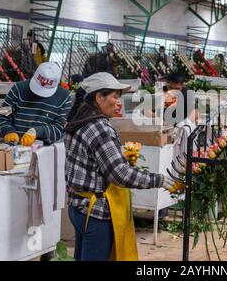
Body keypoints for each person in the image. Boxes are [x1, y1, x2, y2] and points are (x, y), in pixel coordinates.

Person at [64, 72, 176, 261]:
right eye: (115, 96)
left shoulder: (76, 123)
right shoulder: (100, 128)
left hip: (77, 207)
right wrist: (160, 180)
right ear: (99, 97)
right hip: (95, 212)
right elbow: (121, 174)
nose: (119, 103)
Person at [0, 62, 71, 146]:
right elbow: (1, 115)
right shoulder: (19, 89)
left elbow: (59, 128)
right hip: (15, 146)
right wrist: (8, 131)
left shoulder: (64, 97)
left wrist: (38, 132)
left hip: (45, 150)